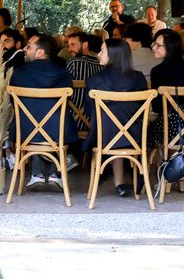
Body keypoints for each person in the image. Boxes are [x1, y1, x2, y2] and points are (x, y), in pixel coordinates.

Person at [9, 34, 77, 189]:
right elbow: (67, 103)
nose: (24, 49)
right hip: (59, 132)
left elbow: (12, 102)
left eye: (29, 47)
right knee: (53, 121)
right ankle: (56, 174)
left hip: (25, 132)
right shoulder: (63, 73)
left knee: (36, 122)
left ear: (40, 53)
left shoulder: (19, 73)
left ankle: (36, 174)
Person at [82, 39, 148, 197]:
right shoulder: (139, 78)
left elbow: (89, 111)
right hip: (135, 136)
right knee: (124, 127)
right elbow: (143, 111)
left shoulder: (94, 80)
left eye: (102, 50)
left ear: (114, 55)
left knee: (110, 126)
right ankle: (128, 179)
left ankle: (116, 180)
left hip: (104, 137)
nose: (98, 54)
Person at [149, 29, 184, 148]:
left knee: (147, 132)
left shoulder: (158, 71)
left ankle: (162, 165)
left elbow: (158, 107)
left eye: (158, 45)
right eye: (154, 44)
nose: (153, 48)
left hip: (169, 130)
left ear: (170, 47)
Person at [65, 32, 103, 132]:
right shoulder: (101, 66)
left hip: (71, 122)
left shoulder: (73, 63)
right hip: (96, 122)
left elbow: (62, 90)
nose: (69, 49)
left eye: (73, 45)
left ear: (85, 45)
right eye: (68, 46)